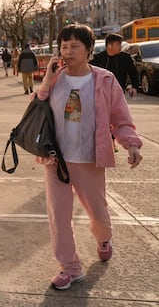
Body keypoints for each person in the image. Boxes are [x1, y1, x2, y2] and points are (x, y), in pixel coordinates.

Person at [37, 23, 143, 290]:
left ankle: (103, 239)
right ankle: (70, 267)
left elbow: (120, 118)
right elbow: (36, 108)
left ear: (88, 50)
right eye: (64, 46)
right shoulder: (56, 78)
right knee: (58, 217)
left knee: (97, 213)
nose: (68, 51)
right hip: (56, 160)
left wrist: (131, 144)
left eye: (74, 46)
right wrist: (47, 81)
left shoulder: (104, 80)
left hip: (89, 159)